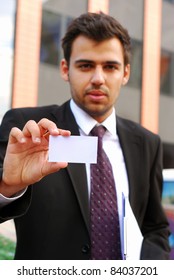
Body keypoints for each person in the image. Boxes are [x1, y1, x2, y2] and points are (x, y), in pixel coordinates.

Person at [0, 12, 170, 260]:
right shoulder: (29, 130)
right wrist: (8, 187)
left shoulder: (147, 143)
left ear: (125, 73)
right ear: (65, 69)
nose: (98, 78)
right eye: (86, 65)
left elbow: (155, 226)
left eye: (110, 67)